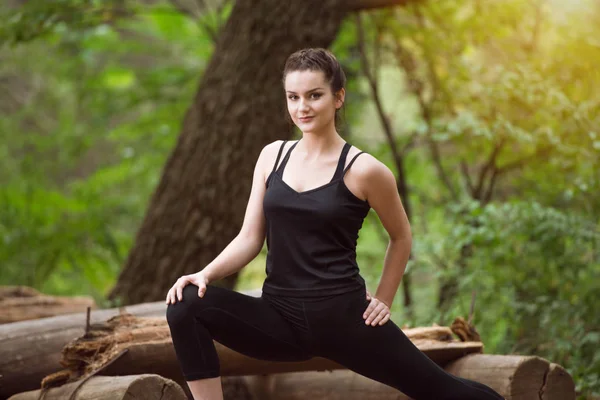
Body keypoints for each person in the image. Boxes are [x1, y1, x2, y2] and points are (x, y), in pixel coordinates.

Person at [165, 48, 504, 400]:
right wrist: (204, 274)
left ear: (338, 97)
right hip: (279, 320)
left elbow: (401, 236)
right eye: (293, 97)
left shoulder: (365, 170)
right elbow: (250, 238)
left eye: (314, 95)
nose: (302, 107)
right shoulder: (272, 156)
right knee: (186, 304)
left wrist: (384, 300)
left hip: (345, 321)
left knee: (440, 391)